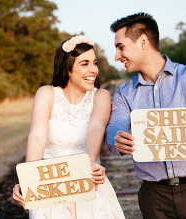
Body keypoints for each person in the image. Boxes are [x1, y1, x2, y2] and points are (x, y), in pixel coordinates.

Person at [106, 12, 186, 218]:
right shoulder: (123, 93)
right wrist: (117, 137)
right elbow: (115, 124)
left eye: (121, 47)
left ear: (143, 41)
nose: (117, 56)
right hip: (154, 197)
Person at [12, 35, 125, 218]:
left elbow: (96, 128)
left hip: (88, 182)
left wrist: (91, 161)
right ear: (68, 68)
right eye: (85, 64)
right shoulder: (46, 94)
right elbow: (37, 136)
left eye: (94, 63)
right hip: (51, 189)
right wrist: (28, 178)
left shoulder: (101, 96)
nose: (93, 70)